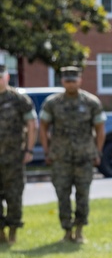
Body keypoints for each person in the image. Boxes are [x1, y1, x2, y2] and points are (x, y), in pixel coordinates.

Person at [39, 66, 105, 243]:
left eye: (73, 80)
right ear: (62, 81)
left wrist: (97, 152)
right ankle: (67, 231)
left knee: (83, 194)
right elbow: (43, 126)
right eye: (67, 80)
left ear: (80, 80)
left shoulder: (91, 102)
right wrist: (47, 150)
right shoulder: (52, 103)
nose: (70, 83)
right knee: (62, 195)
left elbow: (100, 129)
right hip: (60, 157)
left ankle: (79, 230)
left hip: (84, 157)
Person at [0, 63, 38, 244]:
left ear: (7, 78)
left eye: (1, 77)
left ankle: (13, 231)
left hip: (13, 157)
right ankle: (1, 234)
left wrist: (29, 149)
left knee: (14, 195)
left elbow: (32, 124)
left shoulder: (18, 99)